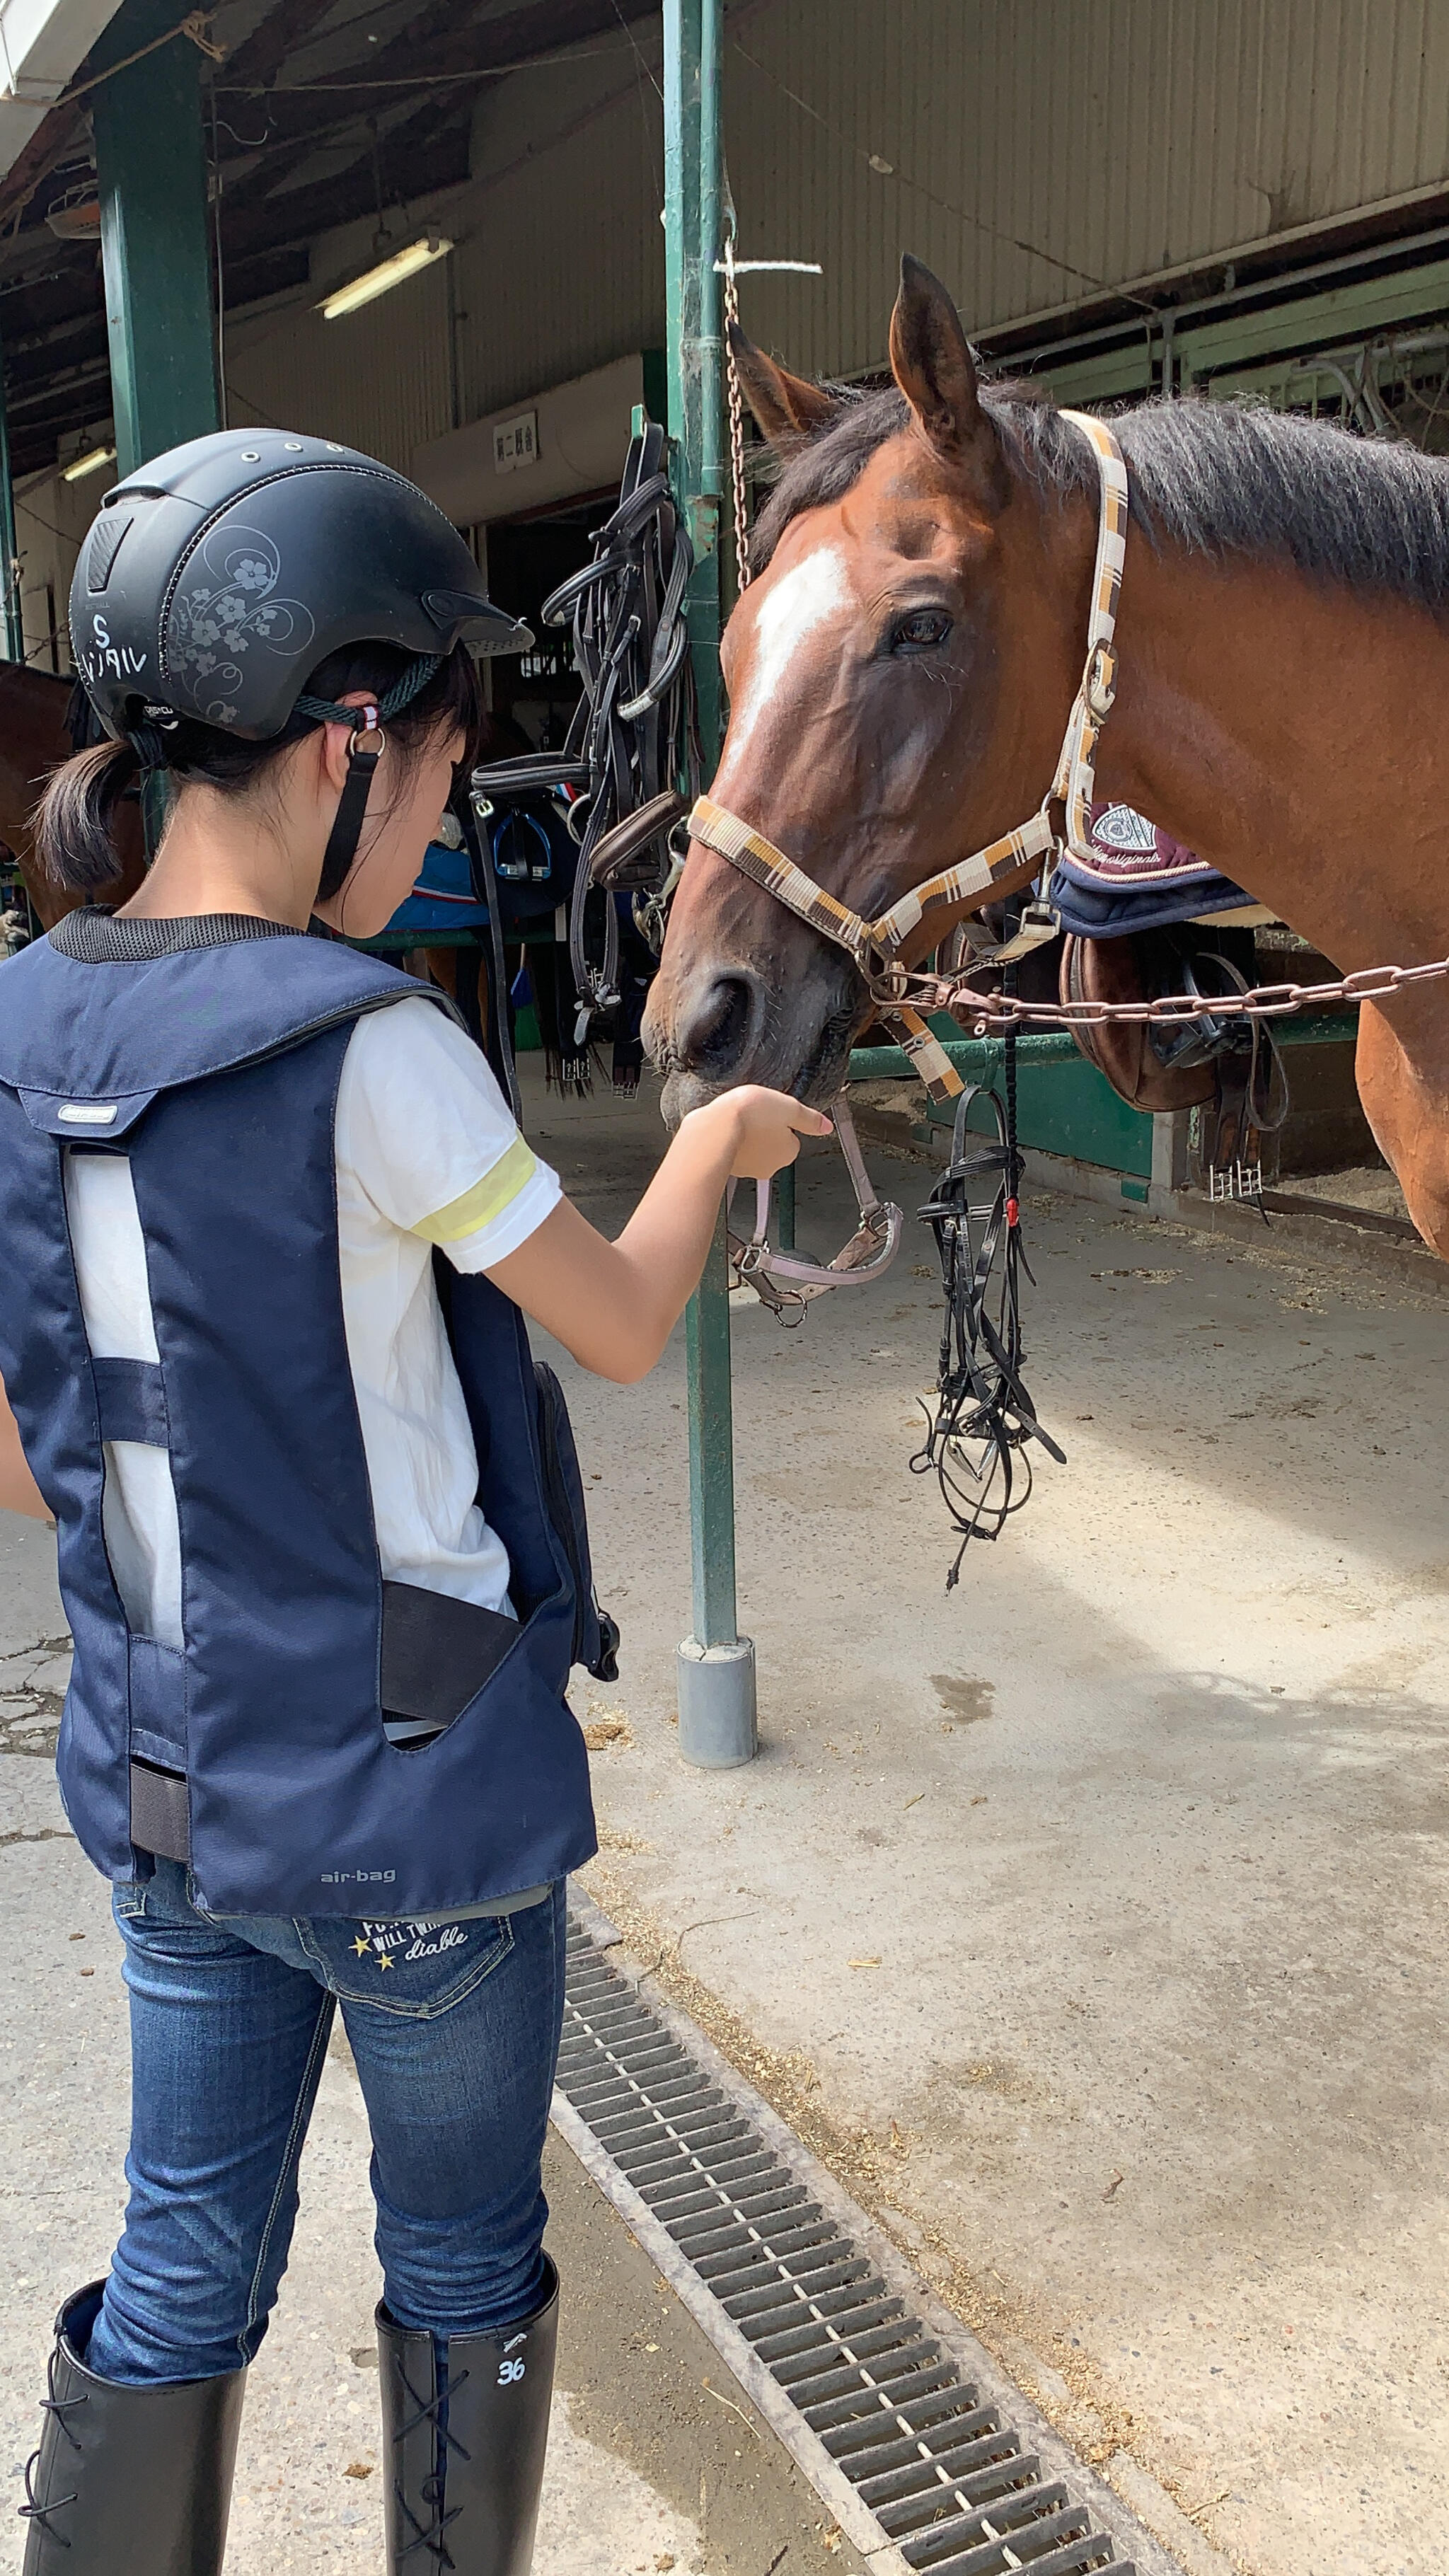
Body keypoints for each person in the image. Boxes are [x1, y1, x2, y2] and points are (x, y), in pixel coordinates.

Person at [0, 428, 826, 2576]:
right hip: (417, 1808)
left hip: (172, 1783)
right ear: (344, 742)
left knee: (184, 2248)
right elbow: (621, 1322)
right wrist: (722, 1142)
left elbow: (34, 1446)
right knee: (459, 2257)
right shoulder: (378, 1048)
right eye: (449, 785)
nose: (444, 833)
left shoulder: (22, 1026)